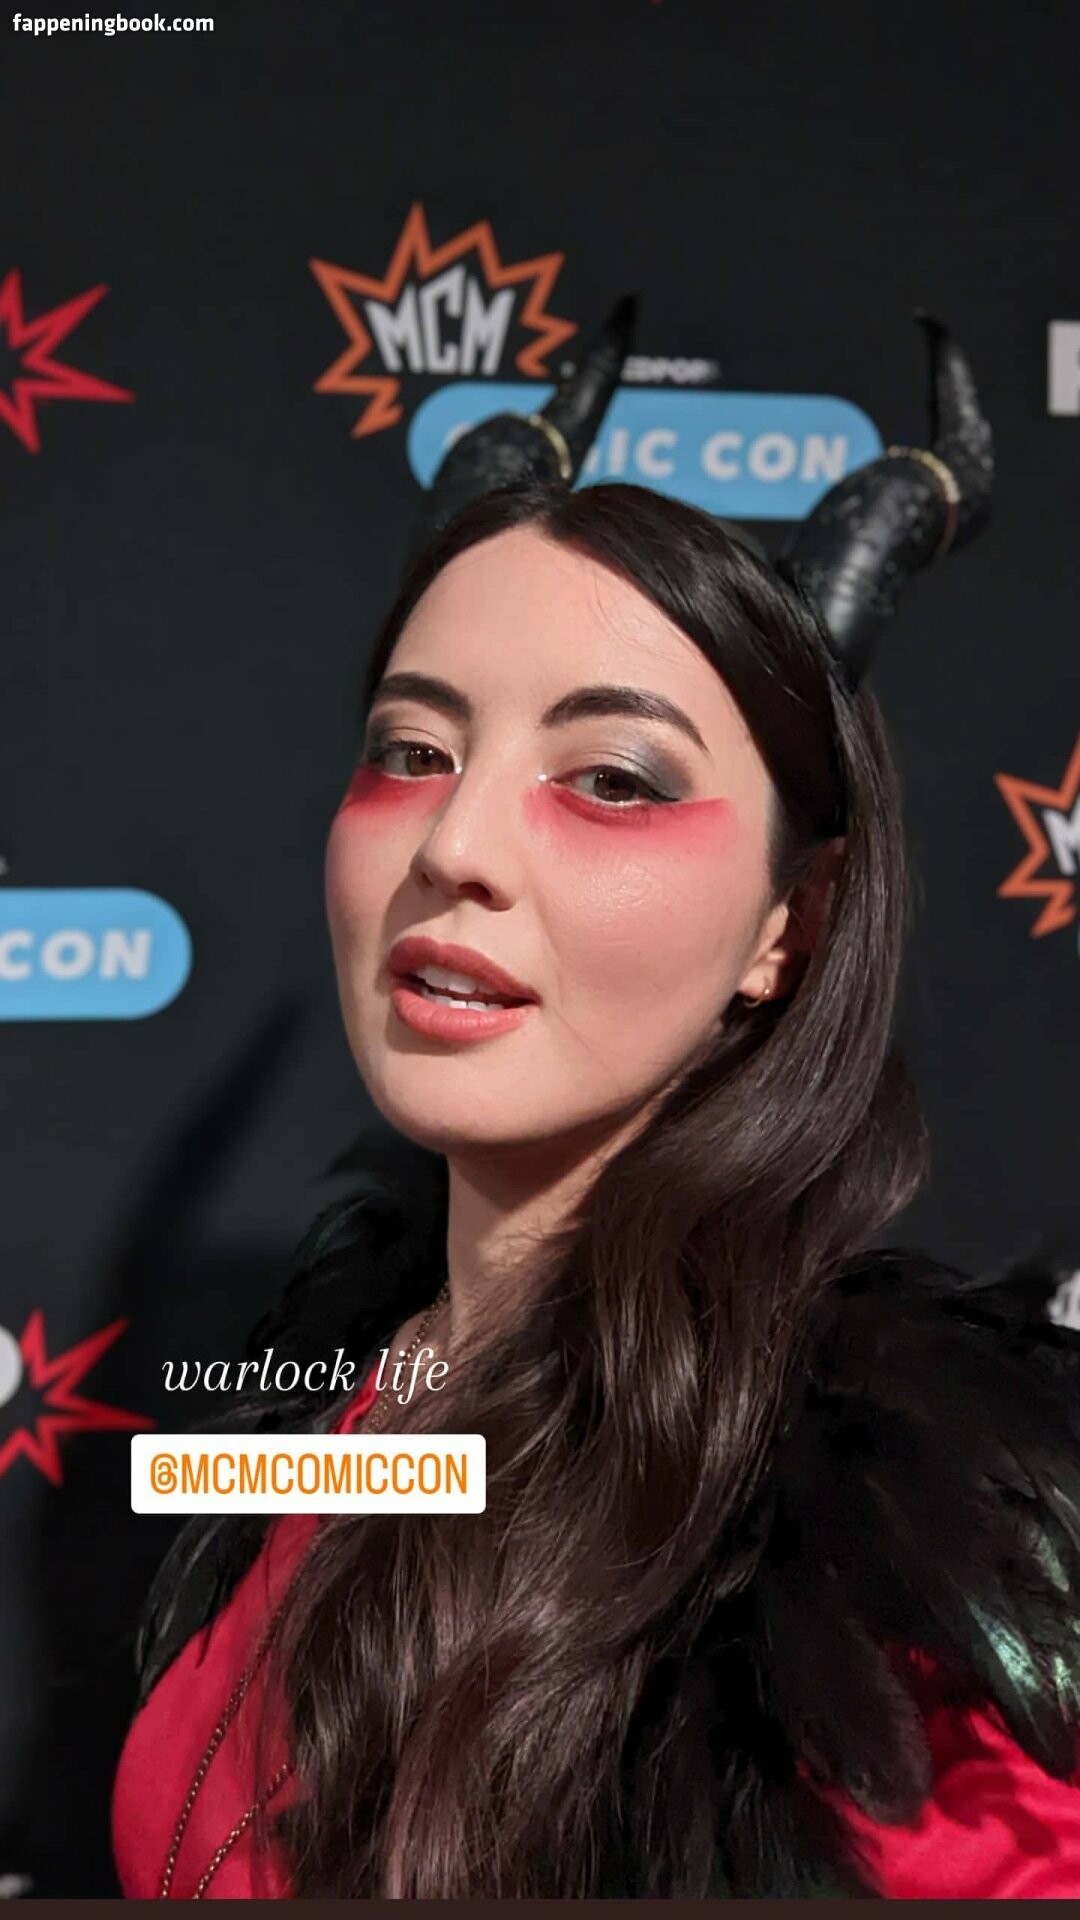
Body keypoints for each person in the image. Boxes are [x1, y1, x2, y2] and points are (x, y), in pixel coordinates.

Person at [111, 306, 1080, 1898]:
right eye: (412, 748)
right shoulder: (351, 1402)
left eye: (614, 779)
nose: (455, 846)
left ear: (790, 927)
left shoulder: (881, 1576)